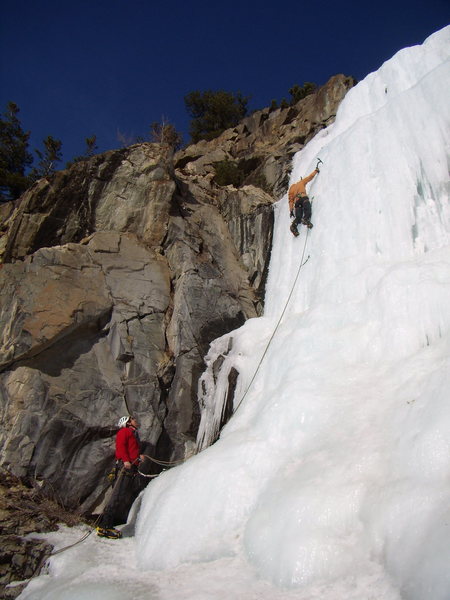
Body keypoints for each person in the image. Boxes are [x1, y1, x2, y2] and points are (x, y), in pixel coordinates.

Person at [96, 415, 145, 539]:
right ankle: (104, 526)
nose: (135, 420)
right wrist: (125, 461)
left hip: (130, 468)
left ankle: (105, 525)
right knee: (116, 497)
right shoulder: (124, 431)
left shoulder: (133, 433)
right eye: (133, 419)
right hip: (124, 468)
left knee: (119, 496)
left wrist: (139, 458)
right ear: (128, 423)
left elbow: (131, 450)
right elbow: (121, 447)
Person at [288, 167, 319, 236]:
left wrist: (291, 210)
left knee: (298, 217)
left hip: (297, 202)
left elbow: (290, 201)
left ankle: (294, 226)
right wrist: (316, 171)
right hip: (303, 197)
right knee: (307, 208)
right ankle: (306, 219)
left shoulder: (291, 190)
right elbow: (309, 177)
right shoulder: (301, 182)